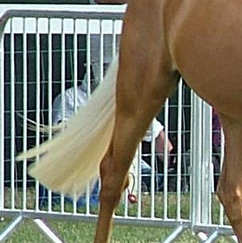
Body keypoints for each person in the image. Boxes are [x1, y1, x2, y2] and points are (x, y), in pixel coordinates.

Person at [39, 70, 173, 207]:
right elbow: (63, 134)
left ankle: (147, 184)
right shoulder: (70, 97)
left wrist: (173, 165)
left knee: (149, 175)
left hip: (127, 165)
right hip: (85, 164)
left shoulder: (129, 100)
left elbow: (157, 135)